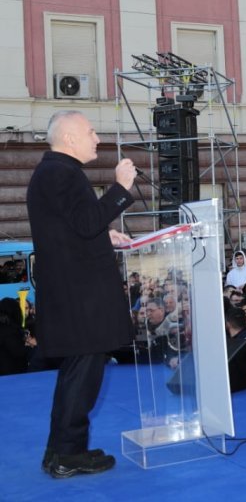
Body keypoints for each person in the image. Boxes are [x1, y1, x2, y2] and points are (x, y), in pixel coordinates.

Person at [26, 110, 136, 478]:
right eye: (91, 132)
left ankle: (63, 450)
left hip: (74, 296)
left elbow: (71, 229)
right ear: (70, 138)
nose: (97, 139)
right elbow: (87, 221)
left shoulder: (52, 173)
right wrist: (121, 187)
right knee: (82, 375)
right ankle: (66, 455)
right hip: (81, 298)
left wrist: (105, 235)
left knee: (78, 374)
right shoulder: (62, 173)